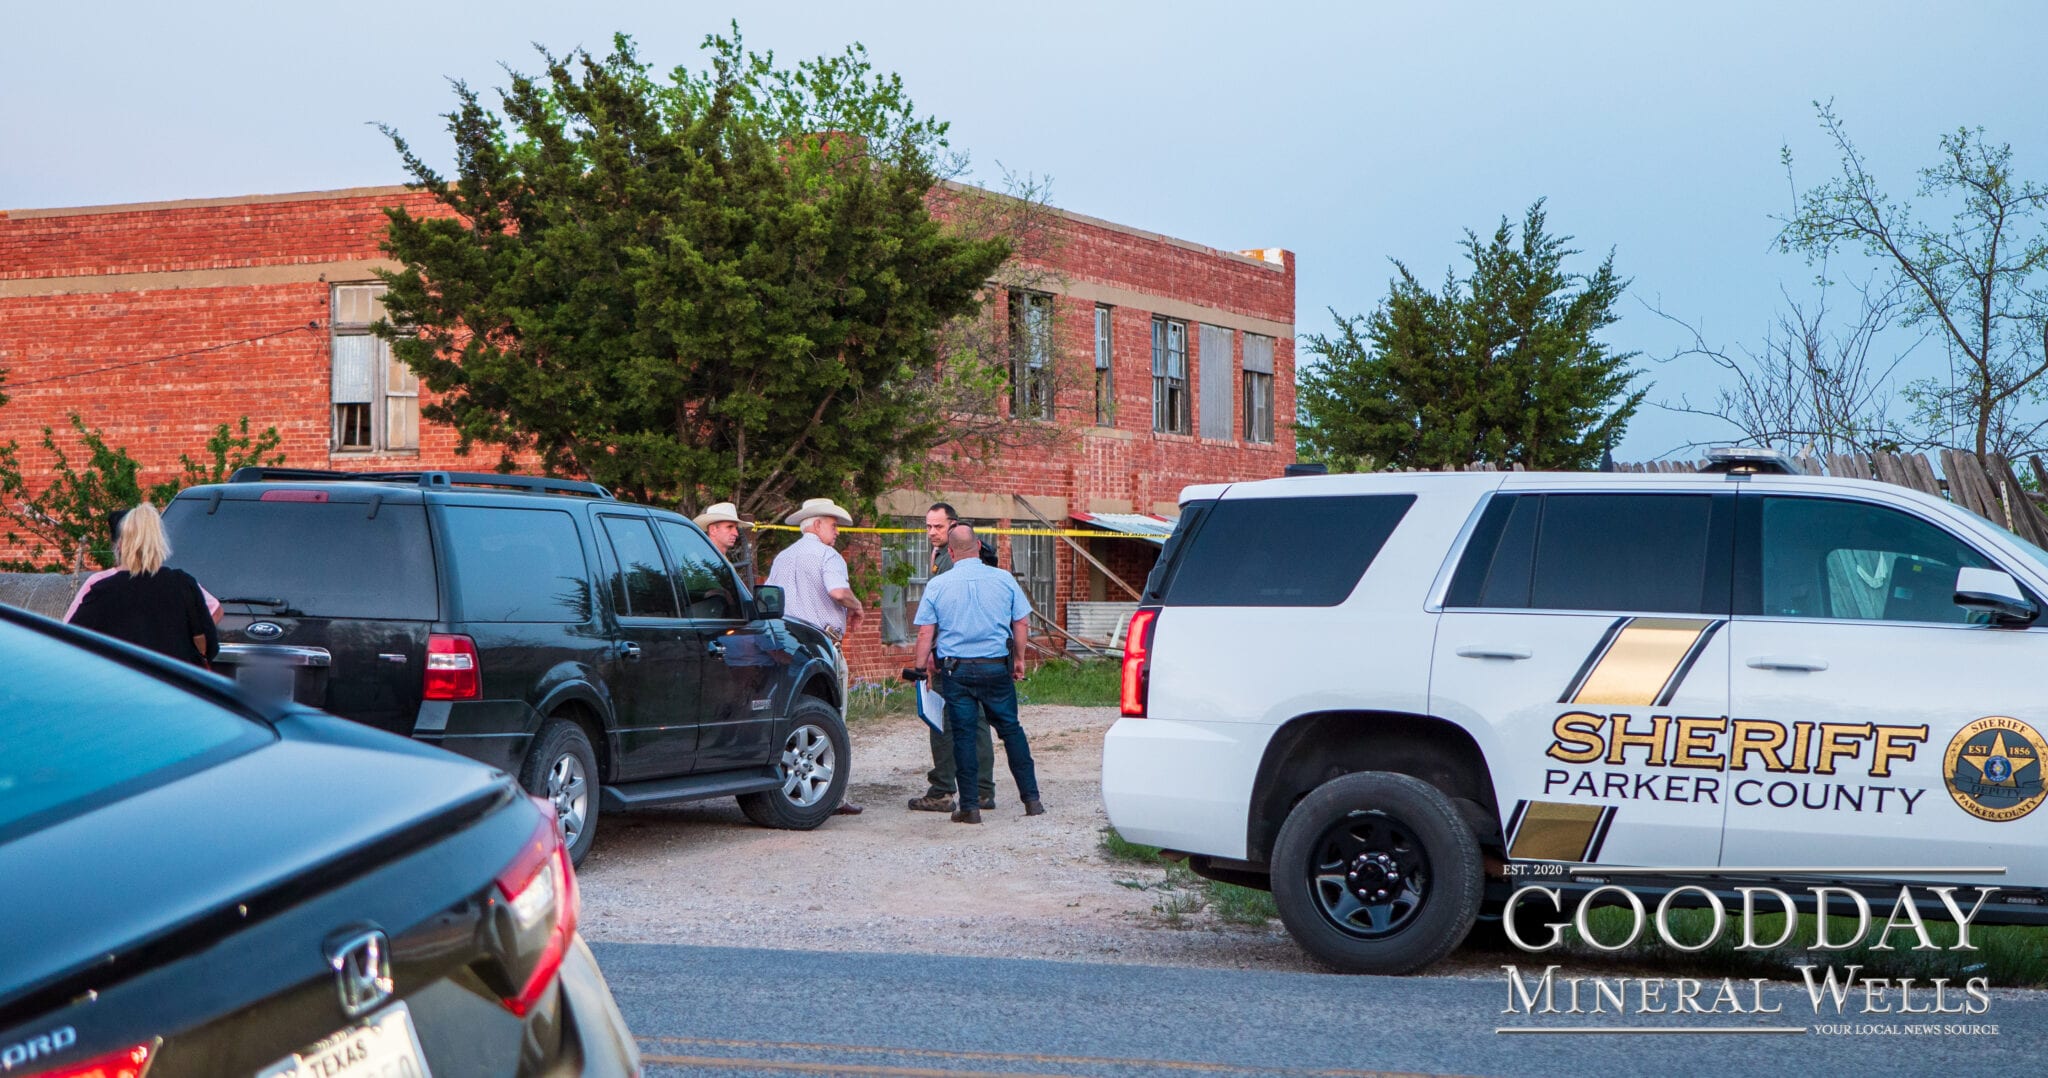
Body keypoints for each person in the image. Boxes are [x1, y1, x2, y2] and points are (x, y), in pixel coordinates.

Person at [912, 524, 1044, 824]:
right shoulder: (1004, 579)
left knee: (964, 736)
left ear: (951, 552)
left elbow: (925, 632)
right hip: (996, 667)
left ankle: (970, 808)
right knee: (1011, 731)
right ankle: (1032, 800)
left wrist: (921, 670)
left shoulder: (938, 585)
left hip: (956, 671)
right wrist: (1019, 659)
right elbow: (1021, 622)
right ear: (980, 546)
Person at [767, 497, 865, 816]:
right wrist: (857, 605)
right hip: (822, 644)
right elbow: (837, 592)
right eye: (833, 525)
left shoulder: (783, 557)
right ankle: (832, 795)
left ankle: (789, 786)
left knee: (795, 718)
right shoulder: (827, 555)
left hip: (789, 646)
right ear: (817, 524)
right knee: (831, 720)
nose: (837, 532)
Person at [907, 502, 996, 813]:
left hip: (950, 657)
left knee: (943, 721)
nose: (932, 532)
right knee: (978, 721)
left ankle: (942, 790)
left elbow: (939, 615)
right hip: (982, 654)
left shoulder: (949, 560)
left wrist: (927, 657)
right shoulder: (964, 558)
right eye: (928, 526)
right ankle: (983, 791)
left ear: (953, 526)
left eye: (939, 526)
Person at [65, 501, 220, 668]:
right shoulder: (183, 584)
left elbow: (69, 641)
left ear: (121, 544)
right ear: (159, 543)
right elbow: (211, 647)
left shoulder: (102, 590)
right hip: (175, 681)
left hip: (124, 680)